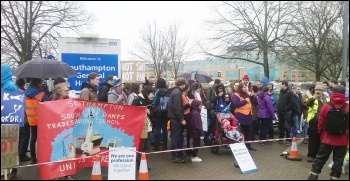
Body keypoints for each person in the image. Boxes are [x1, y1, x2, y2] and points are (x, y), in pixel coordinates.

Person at [307, 85, 349, 180]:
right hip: (342, 139)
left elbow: (321, 121)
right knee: (338, 160)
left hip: (327, 138)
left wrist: (321, 132)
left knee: (320, 158)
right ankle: (334, 177)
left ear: (333, 93)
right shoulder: (347, 107)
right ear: (344, 93)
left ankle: (313, 175)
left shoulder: (327, 105)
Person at [50, 83, 74, 180]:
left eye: (68, 90)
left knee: (67, 151)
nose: (67, 92)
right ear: (59, 91)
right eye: (66, 90)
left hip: (67, 130)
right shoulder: (53, 101)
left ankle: (67, 173)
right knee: (57, 152)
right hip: (56, 131)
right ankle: (56, 173)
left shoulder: (69, 100)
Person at [1, 64, 20, 179]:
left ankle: (12, 169)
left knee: (10, 146)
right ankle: (5, 169)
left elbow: (15, 104)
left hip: (9, 121)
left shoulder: (10, 86)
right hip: (4, 119)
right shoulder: (4, 85)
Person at [25, 78, 49, 164]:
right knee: (42, 139)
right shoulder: (41, 93)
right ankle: (42, 157)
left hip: (30, 119)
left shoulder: (26, 93)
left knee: (33, 138)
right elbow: (47, 105)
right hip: (41, 119)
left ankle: (33, 158)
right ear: (38, 83)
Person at [305, 84, 329, 162]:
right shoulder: (312, 98)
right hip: (314, 122)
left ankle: (318, 155)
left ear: (323, 91)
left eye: (320, 90)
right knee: (313, 139)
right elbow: (306, 105)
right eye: (316, 90)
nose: (318, 91)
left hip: (324, 122)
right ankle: (311, 155)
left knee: (321, 139)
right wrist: (313, 98)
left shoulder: (327, 99)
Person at [168, 78, 187, 163]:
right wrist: (181, 118)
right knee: (175, 136)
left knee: (175, 136)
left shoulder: (174, 91)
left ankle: (175, 154)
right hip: (175, 118)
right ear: (182, 84)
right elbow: (177, 107)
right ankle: (174, 155)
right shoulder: (178, 93)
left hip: (173, 117)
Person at [232, 82, 256, 151]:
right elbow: (236, 104)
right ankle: (241, 147)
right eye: (243, 87)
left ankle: (248, 145)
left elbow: (252, 102)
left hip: (248, 116)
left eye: (246, 87)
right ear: (240, 88)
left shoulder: (247, 94)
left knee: (248, 132)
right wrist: (245, 101)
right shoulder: (236, 95)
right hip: (240, 116)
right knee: (241, 132)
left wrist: (251, 96)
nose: (245, 88)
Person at [152, 78, 170, 151]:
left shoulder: (156, 91)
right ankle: (165, 145)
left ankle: (156, 146)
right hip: (165, 112)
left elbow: (154, 101)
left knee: (158, 128)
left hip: (157, 112)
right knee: (165, 128)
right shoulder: (168, 91)